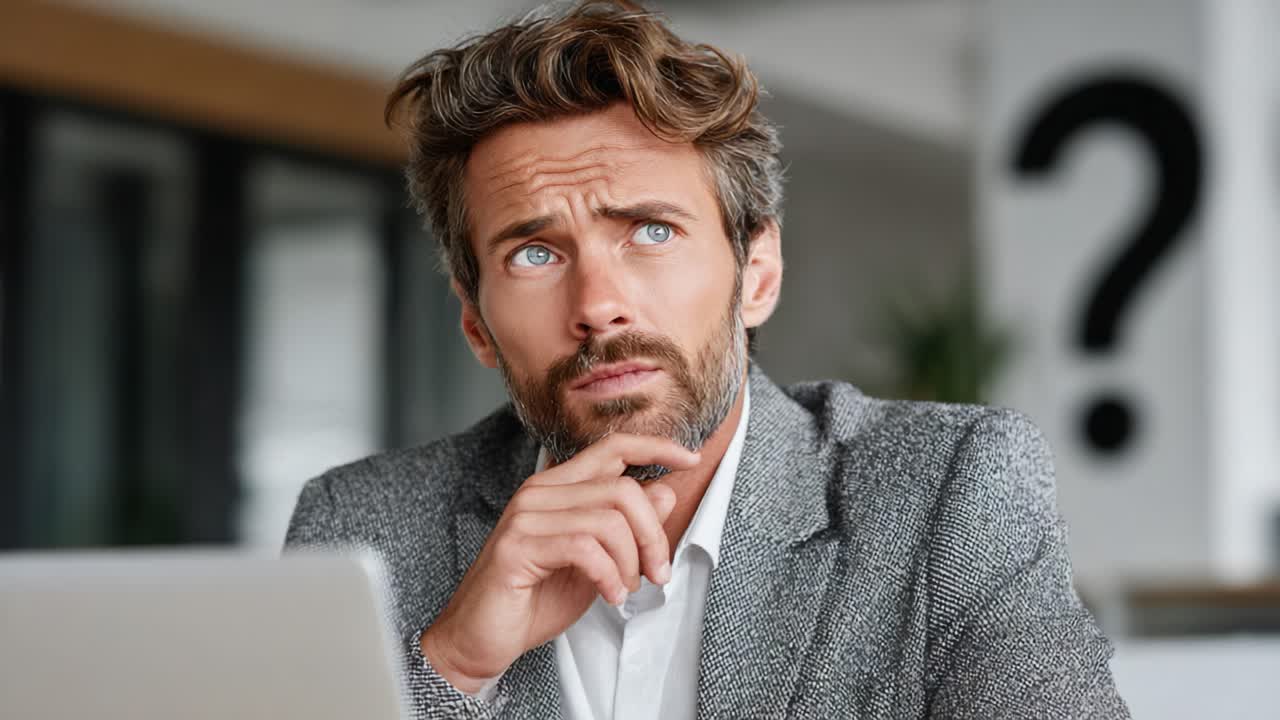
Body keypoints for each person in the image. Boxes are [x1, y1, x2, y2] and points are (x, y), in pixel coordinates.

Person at [284, 2, 1129, 718]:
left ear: (756, 276)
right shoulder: (362, 529)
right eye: (533, 254)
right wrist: (455, 666)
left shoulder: (945, 493)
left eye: (651, 232)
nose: (596, 305)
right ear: (475, 326)